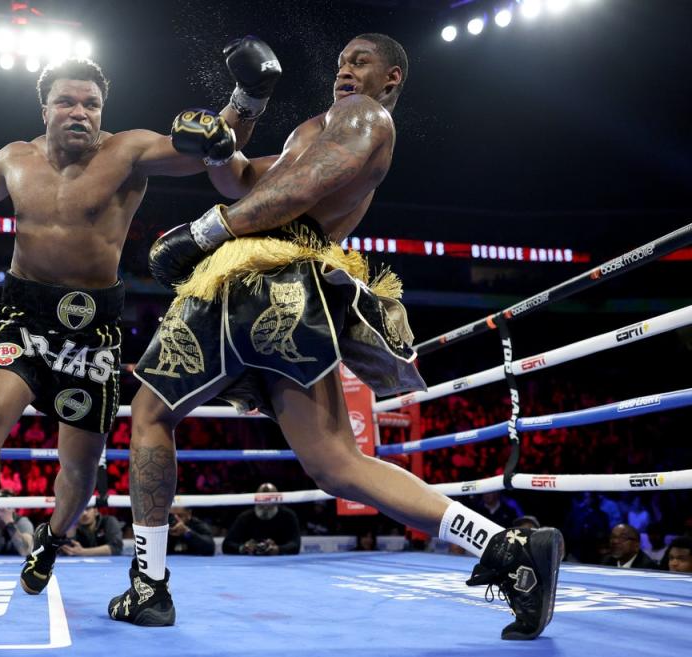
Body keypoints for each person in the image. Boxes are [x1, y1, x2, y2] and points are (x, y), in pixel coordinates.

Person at [109, 33, 563, 641]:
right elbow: (248, 183)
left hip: (255, 276)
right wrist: (232, 127)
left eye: (361, 61)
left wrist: (205, 231)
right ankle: (508, 548)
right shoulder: (315, 126)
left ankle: (149, 586)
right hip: (295, 290)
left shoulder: (365, 116)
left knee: (150, 413)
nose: (345, 69)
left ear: (392, 79)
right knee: (336, 464)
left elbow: (300, 191)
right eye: (342, 60)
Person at [0, 39, 281, 622]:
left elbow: (213, 149)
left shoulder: (130, 150)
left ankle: (53, 540)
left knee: (81, 472)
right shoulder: (15, 156)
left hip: (93, 330)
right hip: (22, 314)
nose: (79, 112)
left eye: (90, 102)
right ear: (45, 109)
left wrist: (247, 98)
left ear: (102, 108)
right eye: (66, 102)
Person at [222, 484, 301, 556]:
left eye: (269, 499)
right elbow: (227, 545)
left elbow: (295, 545)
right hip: (250, 562)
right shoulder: (245, 517)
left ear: (276, 500)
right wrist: (243, 548)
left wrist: (279, 549)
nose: (265, 504)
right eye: (262, 499)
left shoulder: (288, 516)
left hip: (281, 562)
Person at [0, 489, 34, 556]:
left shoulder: (22, 522)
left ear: (13, 508)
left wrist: (9, 522)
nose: (2, 508)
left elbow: (25, 551)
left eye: (7, 505)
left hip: (17, 565)